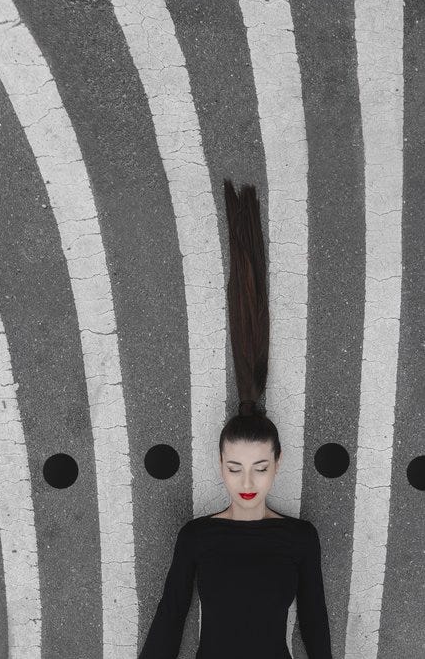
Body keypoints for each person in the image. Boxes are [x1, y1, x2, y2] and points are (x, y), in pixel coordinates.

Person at [138, 180, 333, 658]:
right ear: (220, 465)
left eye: (260, 468)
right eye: (235, 467)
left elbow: (315, 623)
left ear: (278, 464)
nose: (247, 482)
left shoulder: (299, 539)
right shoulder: (198, 537)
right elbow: (170, 617)